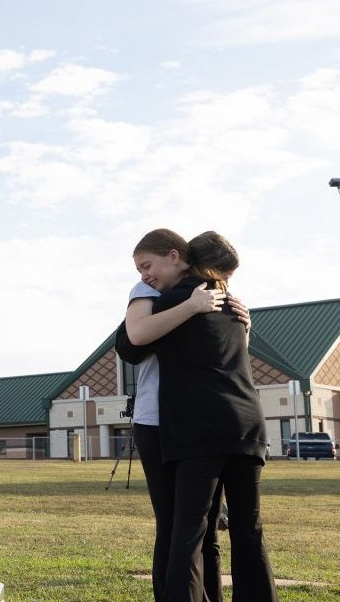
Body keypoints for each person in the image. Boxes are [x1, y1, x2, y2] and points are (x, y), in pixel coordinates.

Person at [126, 229, 278, 602]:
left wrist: (190, 307)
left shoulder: (170, 305)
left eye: (147, 265)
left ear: (179, 257)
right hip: (247, 425)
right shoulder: (230, 305)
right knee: (248, 528)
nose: (144, 275)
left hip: (200, 431)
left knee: (188, 531)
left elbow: (132, 341)